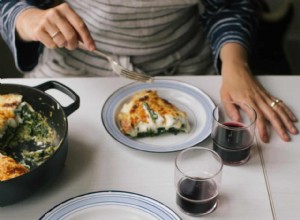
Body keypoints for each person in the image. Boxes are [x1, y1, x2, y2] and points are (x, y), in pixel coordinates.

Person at [0, 0, 298, 143]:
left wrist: (236, 65)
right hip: (72, 75)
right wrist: (26, 18)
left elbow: (229, 6)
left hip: (184, 73)